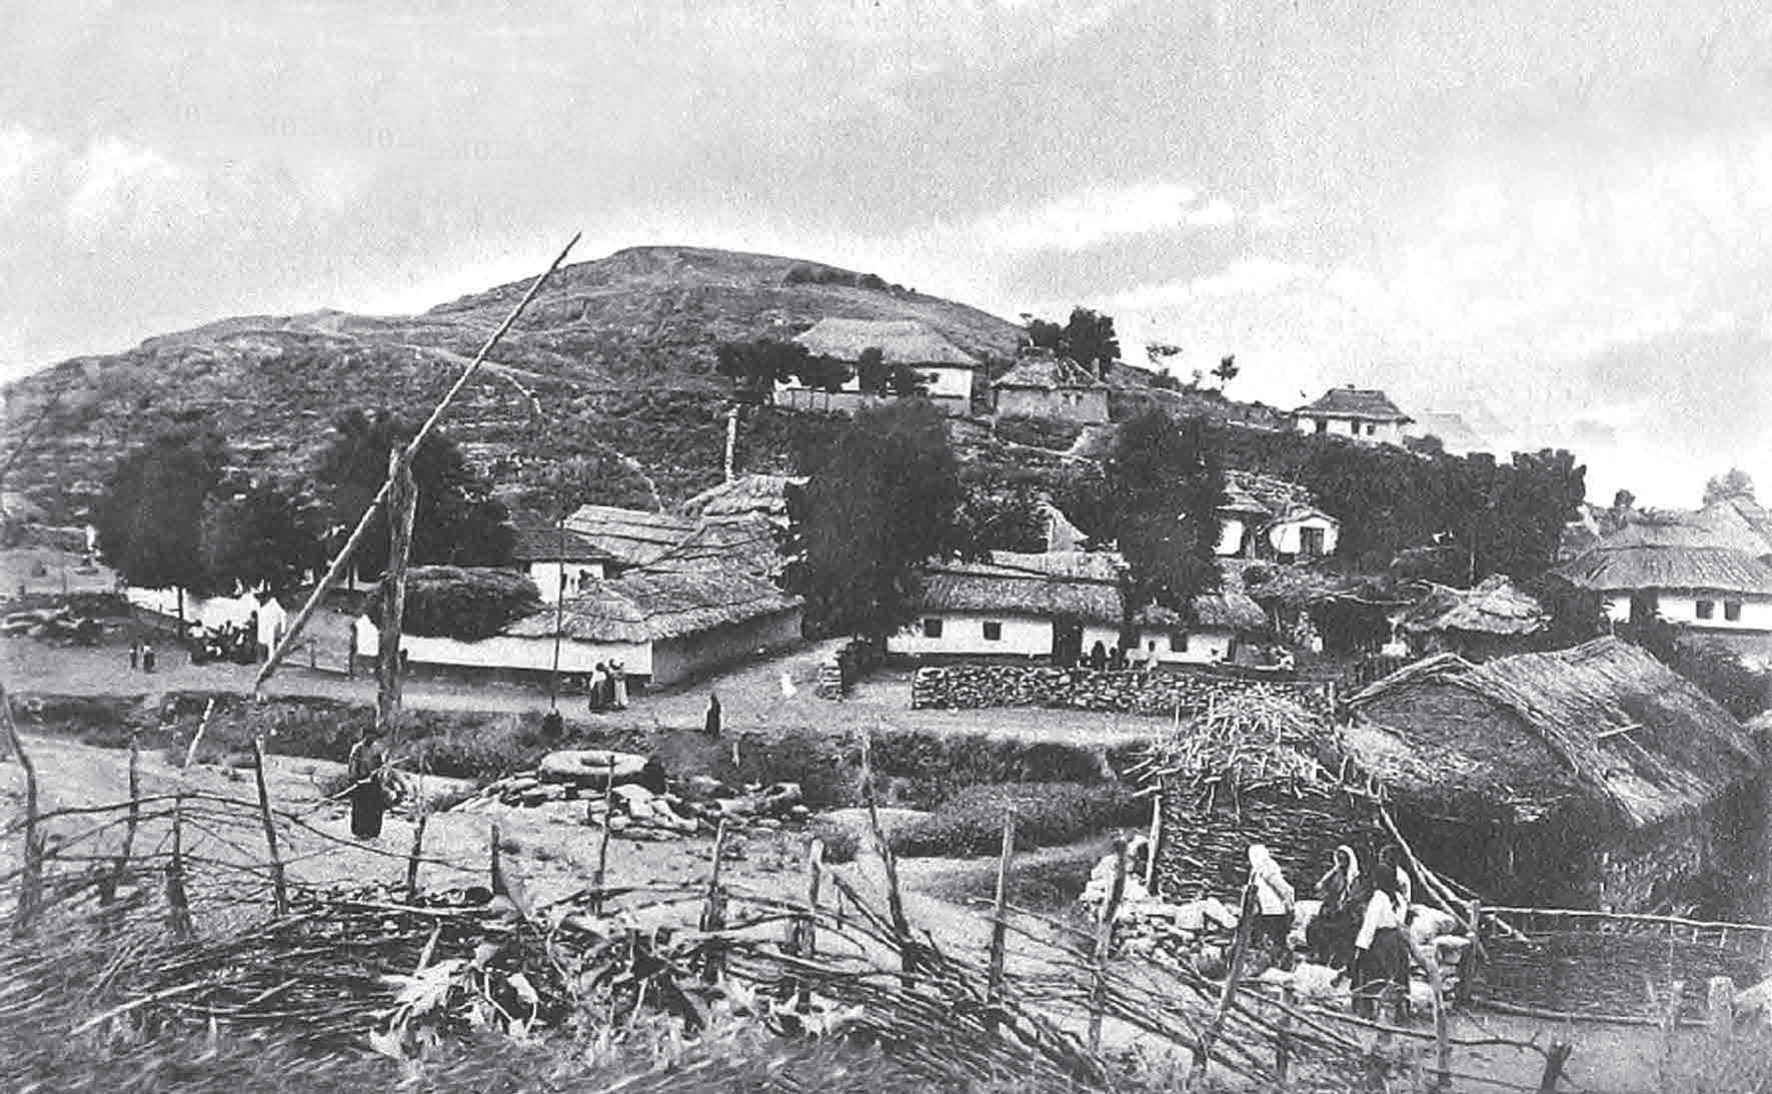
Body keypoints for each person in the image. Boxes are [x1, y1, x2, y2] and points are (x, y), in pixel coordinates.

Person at [1351, 864, 1412, 1022]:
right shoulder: (1398, 898)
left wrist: (1361, 946)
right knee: (1397, 974)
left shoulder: (1378, 898)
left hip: (1381, 941)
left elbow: (1370, 924)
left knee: (1372, 974)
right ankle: (1399, 1012)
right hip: (1396, 940)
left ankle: (1371, 1011)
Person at [1308, 844, 1366, 969]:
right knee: (1315, 927)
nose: (1341, 862)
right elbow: (1322, 888)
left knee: (1342, 932)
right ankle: (1320, 955)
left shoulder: (1355, 877)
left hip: (1348, 912)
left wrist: (1344, 904)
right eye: (1339, 858)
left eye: (1343, 859)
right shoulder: (1335, 874)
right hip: (1331, 908)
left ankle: (1339, 960)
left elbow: (1355, 896)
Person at [1247, 844, 1295, 967]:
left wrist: (1289, 904)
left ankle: (1283, 962)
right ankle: (1271, 961)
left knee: (1277, 939)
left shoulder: (1266, 867)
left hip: (1275, 910)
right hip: (1265, 910)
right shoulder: (1256, 870)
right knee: (1267, 939)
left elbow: (1282, 887)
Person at [347, 730, 390, 840]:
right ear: (365, 736)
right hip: (360, 783)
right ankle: (360, 832)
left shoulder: (375, 748)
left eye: (373, 736)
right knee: (360, 808)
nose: (372, 738)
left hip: (373, 783)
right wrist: (356, 779)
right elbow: (353, 766)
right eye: (370, 736)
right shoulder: (357, 748)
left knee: (375, 807)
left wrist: (381, 773)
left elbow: (380, 765)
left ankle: (372, 833)